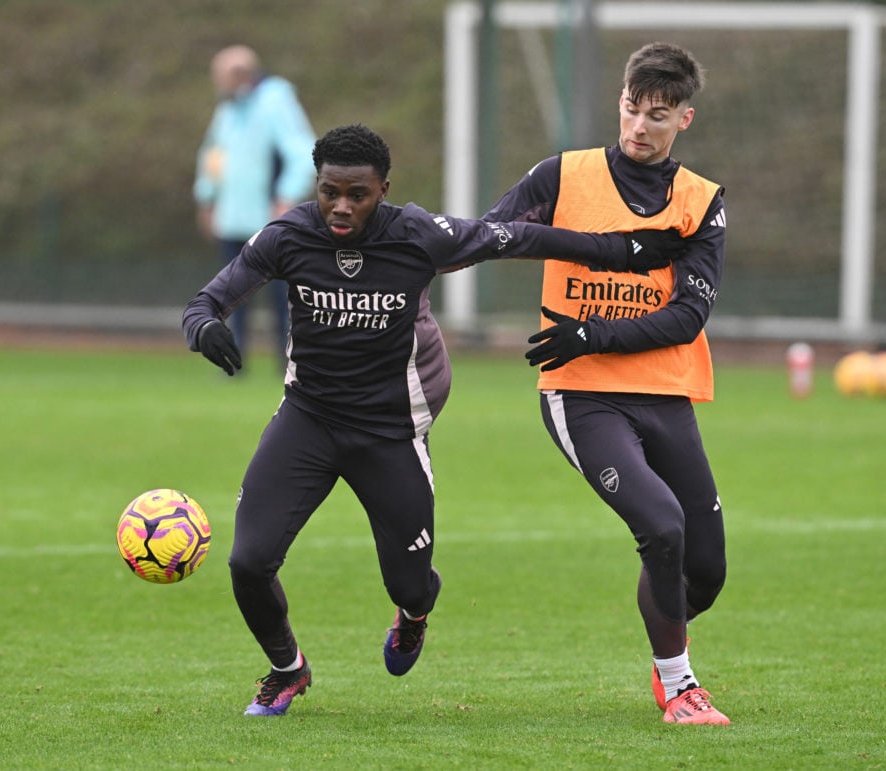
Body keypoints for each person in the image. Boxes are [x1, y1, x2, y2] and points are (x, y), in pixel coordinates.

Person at [182, 124, 685, 717]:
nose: (341, 207)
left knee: (410, 583)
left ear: (384, 189)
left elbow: (516, 236)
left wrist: (625, 251)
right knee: (248, 561)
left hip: (390, 432)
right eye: (329, 192)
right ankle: (286, 669)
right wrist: (205, 328)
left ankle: (415, 612)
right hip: (308, 420)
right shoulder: (287, 236)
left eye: (357, 194)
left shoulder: (418, 235)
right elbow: (205, 301)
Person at [483, 42, 730, 725]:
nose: (638, 126)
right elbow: (493, 234)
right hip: (581, 394)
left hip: (664, 392)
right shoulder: (562, 175)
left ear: (685, 118)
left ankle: (666, 642)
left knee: (703, 570)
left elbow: (687, 317)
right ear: (618, 101)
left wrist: (594, 331)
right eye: (630, 108)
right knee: (661, 524)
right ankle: (679, 686)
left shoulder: (701, 202)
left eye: (657, 114)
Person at [193, 44, 317, 370]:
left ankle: (288, 362)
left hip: (269, 221)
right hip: (232, 218)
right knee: (230, 296)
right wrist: (207, 197)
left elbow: (301, 153)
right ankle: (234, 360)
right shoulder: (228, 109)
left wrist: (286, 197)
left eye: (221, 77)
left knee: (282, 297)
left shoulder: (276, 101)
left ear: (239, 74)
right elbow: (214, 156)